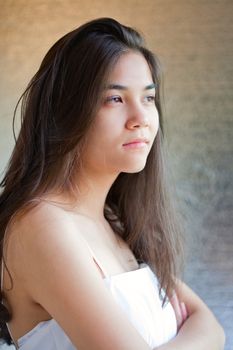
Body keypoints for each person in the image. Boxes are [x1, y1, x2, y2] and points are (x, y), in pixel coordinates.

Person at [0, 17, 225, 350]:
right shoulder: (41, 225)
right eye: (115, 100)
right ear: (67, 111)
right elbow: (204, 332)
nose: (141, 119)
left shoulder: (117, 222)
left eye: (148, 98)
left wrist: (199, 333)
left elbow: (214, 328)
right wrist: (192, 335)